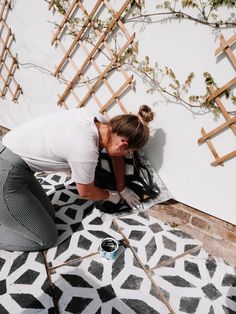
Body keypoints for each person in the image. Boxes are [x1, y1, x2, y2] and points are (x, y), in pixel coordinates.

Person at [0, 104, 154, 252]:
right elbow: (86, 192)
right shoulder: (85, 148)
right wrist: (110, 195)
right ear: (123, 144)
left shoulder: (97, 120)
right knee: (45, 237)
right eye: (128, 152)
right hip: (6, 174)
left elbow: (116, 155)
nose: (126, 156)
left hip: (15, 164)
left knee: (50, 214)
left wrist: (122, 187)